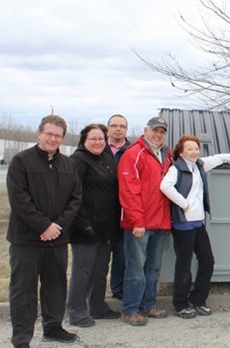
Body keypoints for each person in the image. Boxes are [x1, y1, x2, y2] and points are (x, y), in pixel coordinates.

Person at [6, 115, 82, 347]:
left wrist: (57, 226)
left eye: (57, 135)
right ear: (39, 133)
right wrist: (43, 226)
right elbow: (19, 199)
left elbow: (75, 199)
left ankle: (53, 328)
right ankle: (21, 338)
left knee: (56, 287)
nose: (52, 138)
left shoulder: (69, 164)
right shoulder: (21, 161)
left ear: (62, 138)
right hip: (26, 240)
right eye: (48, 133)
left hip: (57, 239)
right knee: (23, 290)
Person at [160, 135, 230, 319]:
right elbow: (165, 186)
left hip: (198, 223)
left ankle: (198, 300)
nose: (194, 151)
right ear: (181, 152)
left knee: (207, 261)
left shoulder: (200, 165)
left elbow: (220, 158)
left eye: (196, 148)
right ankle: (180, 304)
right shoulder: (176, 168)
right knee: (184, 265)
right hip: (183, 225)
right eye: (190, 149)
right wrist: (184, 204)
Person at [117, 116, 173, 326]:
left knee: (153, 268)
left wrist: (167, 222)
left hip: (159, 223)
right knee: (136, 269)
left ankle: (148, 306)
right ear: (146, 130)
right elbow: (129, 191)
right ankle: (130, 309)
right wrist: (137, 221)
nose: (158, 135)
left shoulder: (166, 155)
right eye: (155, 130)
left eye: (162, 131)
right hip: (139, 224)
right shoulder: (134, 153)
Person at [67, 124, 121, 327]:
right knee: (83, 271)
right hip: (85, 227)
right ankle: (76, 310)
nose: (98, 142)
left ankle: (97, 307)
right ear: (84, 140)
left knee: (100, 270)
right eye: (93, 139)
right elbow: (74, 196)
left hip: (106, 227)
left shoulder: (106, 158)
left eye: (101, 138)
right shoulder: (78, 160)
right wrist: (83, 225)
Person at [104, 114, 132, 301]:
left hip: (124, 209)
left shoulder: (132, 150)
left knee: (121, 254)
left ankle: (118, 289)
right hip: (101, 209)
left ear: (126, 129)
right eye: (114, 125)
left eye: (122, 126)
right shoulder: (98, 148)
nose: (118, 129)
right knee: (99, 256)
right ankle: (94, 293)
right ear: (108, 129)